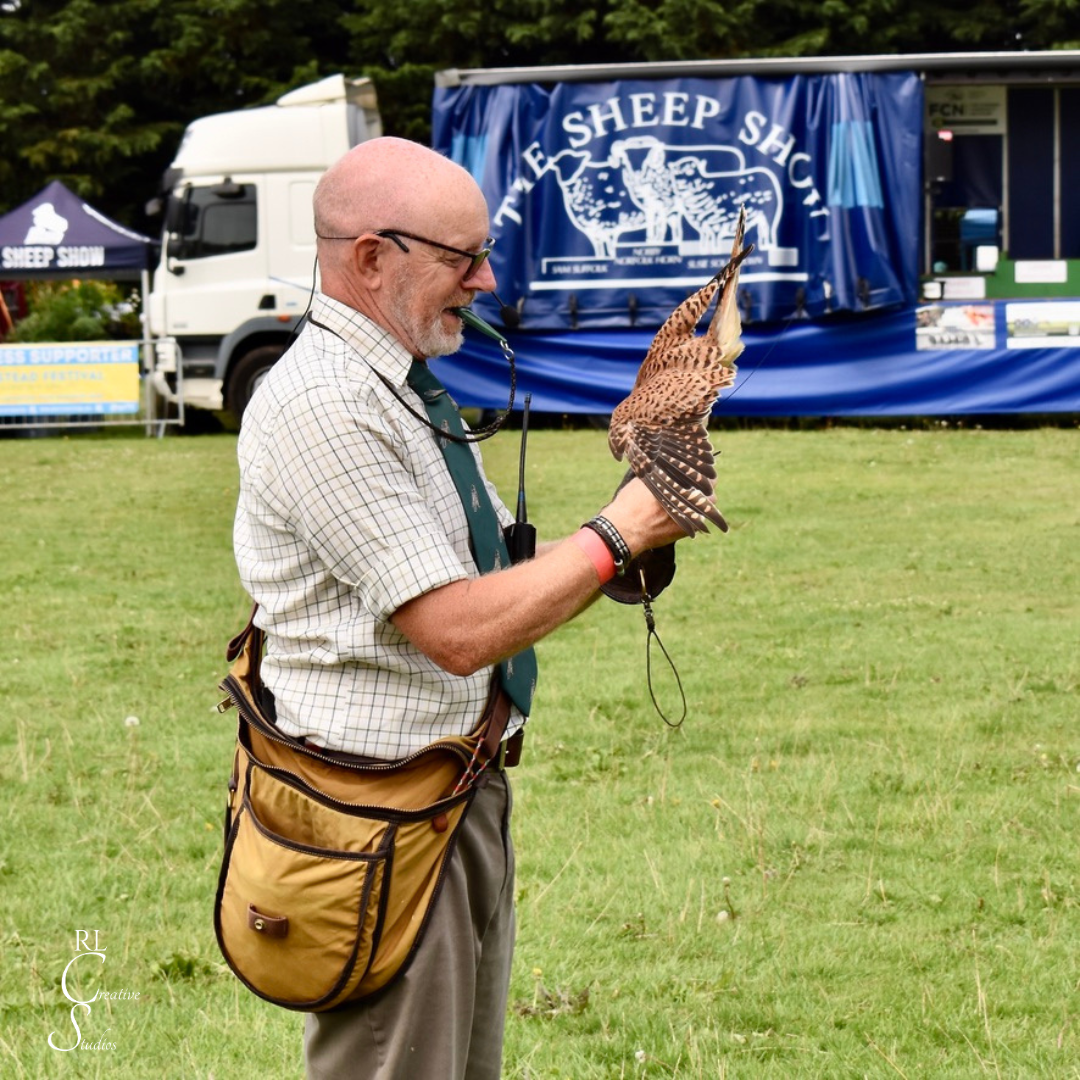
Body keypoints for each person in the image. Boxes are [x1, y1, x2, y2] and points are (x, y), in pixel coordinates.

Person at [232, 136, 686, 1080]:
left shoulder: (397, 390)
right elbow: (457, 630)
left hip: (448, 795)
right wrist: (616, 532)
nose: (485, 281)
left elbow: (485, 579)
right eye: (461, 258)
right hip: (374, 815)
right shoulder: (326, 404)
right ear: (369, 257)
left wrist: (634, 547)